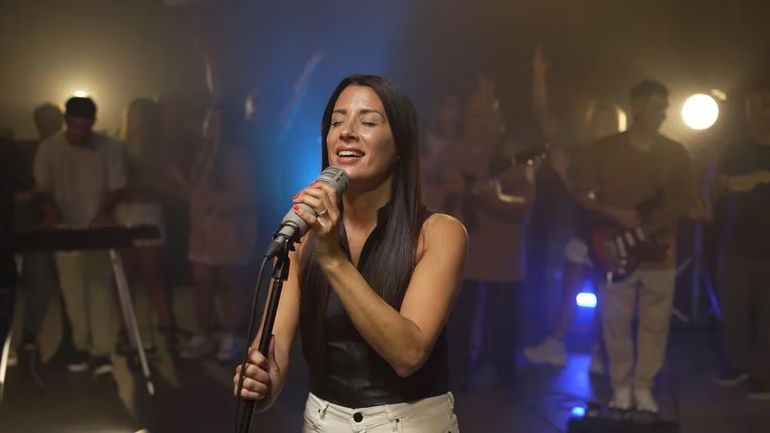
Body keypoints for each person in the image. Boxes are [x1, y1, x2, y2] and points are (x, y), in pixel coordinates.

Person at [234, 75, 467, 432]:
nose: (347, 132)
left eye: (368, 122)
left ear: (400, 144)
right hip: (322, 421)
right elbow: (274, 350)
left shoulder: (439, 233)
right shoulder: (304, 233)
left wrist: (333, 259)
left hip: (408, 423)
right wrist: (264, 382)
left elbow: (408, 354)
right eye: (337, 121)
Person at [569, 80, 696, 413]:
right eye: (657, 105)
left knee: (656, 321)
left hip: (660, 250)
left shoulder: (676, 153)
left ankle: (644, 386)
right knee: (615, 318)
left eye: (665, 106)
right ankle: (620, 386)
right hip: (616, 248)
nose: (664, 113)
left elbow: (689, 198)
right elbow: (581, 193)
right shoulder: (604, 151)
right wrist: (614, 213)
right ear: (637, 106)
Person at [524, 45, 621, 371]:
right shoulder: (583, 151)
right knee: (570, 288)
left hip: (612, 235)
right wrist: (539, 80)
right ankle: (557, 344)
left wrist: (564, 174)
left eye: (608, 121)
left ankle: (601, 351)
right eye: (598, 121)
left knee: (608, 296)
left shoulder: (623, 157)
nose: (602, 126)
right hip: (582, 232)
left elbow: (590, 196)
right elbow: (545, 121)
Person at [33, 97, 126, 375]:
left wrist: (103, 213)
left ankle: (102, 351)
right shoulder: (49, 148)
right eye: (76, 127)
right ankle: (81, 346)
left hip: (96, 232)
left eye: (86, 127)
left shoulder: (108, 147)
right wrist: (51, 211)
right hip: (65, 231)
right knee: (72, 293)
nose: (81, 133)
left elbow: (116, 186)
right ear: (67, 122)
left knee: (99, 291)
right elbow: (42, 187)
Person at [177, 103, 257, 362]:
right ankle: (203, 333)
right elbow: (196, 192)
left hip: (227, 231)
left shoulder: (236, 156)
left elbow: (246, 196)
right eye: (207, 119)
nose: (207, 125)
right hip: (202, 233)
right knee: (202, 284)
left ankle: (232, 336)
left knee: (229, 284)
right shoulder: (203, 154)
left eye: (213, 120)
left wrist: (215, 201)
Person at [712, 75, 770, 399]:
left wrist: (761, 177)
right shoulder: (736, 148)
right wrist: (728, 184)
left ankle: (764, 373)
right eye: (752, 107)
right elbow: (716, 188)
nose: (759, 113)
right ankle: (737, 363)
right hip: (736, 240)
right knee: (733, 306)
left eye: (765, 105)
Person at [115, 98, 177, 348]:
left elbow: (163, 183)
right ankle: (125, 329)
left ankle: (165, 324)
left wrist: (147, 184)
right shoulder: (118, 147)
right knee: (124, 277)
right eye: (132, 114)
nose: (135, 120)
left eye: (139, 115)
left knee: (153, 274)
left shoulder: (158, 149)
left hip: (148, 212)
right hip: (123, 213)